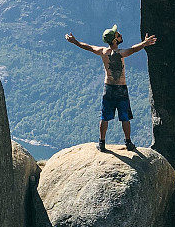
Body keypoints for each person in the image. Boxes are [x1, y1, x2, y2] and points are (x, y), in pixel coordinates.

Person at [65, 24, 157, 152]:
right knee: (125, 117)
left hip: (108, 88)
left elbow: (88, 47)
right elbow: (133, 49)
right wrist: (145, 43)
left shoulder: (103, 52)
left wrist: (75, 42)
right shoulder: (121, 53)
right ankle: (128, 142)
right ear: (114, 40)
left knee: (105, 116)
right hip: (121, 88)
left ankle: (102, 143)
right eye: (118, 34)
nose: (120, 35)